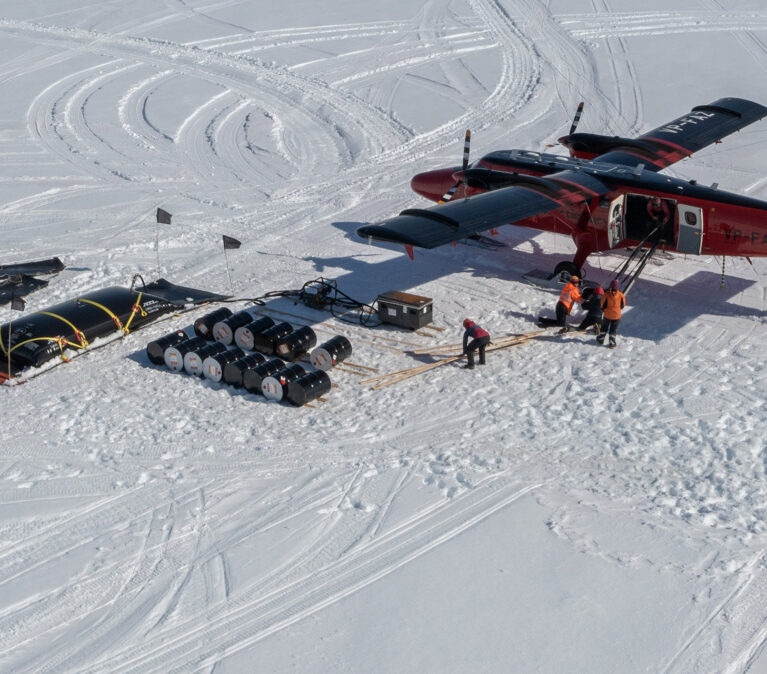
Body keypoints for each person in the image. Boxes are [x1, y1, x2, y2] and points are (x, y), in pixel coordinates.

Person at [598, 280, 626, 348]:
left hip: (607, 315)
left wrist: (603, 310)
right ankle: (612, 342)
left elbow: (602, 305)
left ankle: (601, 339)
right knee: (613, 329)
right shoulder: (621, 295)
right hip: (616, 316)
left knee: (604, 327)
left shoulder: (606, 295)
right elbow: (623, 305)